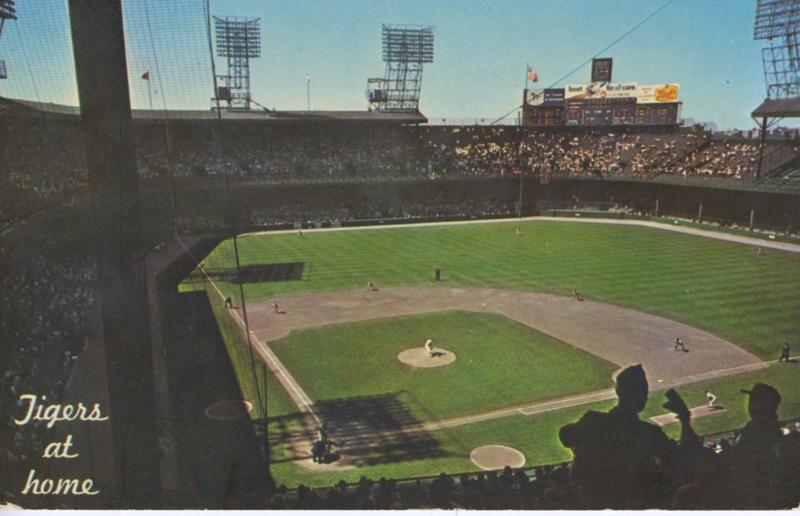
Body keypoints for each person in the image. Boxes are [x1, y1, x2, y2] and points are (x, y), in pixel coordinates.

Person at [559, 365, 702, 509]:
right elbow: (684, 463)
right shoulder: (649, 433)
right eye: (643, 391)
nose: (646, 396)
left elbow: (576, 471)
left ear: (618, 391)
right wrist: (684, 419)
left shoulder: (591, 420)